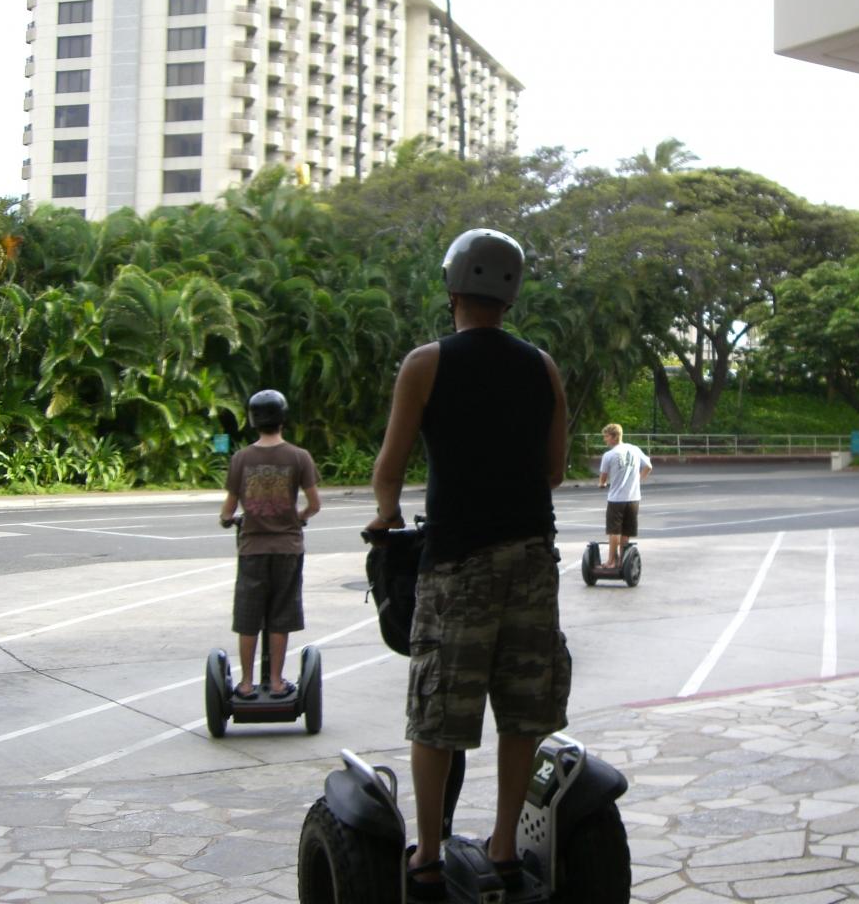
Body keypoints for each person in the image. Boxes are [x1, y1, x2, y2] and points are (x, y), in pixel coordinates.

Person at [364, 228, 569, 898]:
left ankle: (427, 855)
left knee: (439, 714)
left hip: (458, 566)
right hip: (533, 560)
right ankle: (504, 848)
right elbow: (554, 470)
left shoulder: (426, 363)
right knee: (523, 711)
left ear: (452, 287)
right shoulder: (542, 367)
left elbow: (389, 468)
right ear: (510, 295)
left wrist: (386, 514)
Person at [219, 389, 321, 700]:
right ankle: (277, 682)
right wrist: (299, 517)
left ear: (253, 420)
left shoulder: (241, 458)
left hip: (252, 550)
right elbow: (314, 504)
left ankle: (246, 683)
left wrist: (228, 519)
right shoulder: (299, 457)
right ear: (282, 418)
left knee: (248, 617)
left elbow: (228, 510)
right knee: (281, 614)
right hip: (288, 549)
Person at [598, 422, 652, 567]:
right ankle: (623, 561)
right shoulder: (634, 449)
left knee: (614, 531)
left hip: (616, 499)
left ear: (614, 437)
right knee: (626, 531)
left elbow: (603, 477)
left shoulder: (609, 455)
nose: (605, 439)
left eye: (606, 436)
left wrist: (602, 484)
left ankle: (611, 561)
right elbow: (648, 466)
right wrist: (638, 480)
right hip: (634, 498)